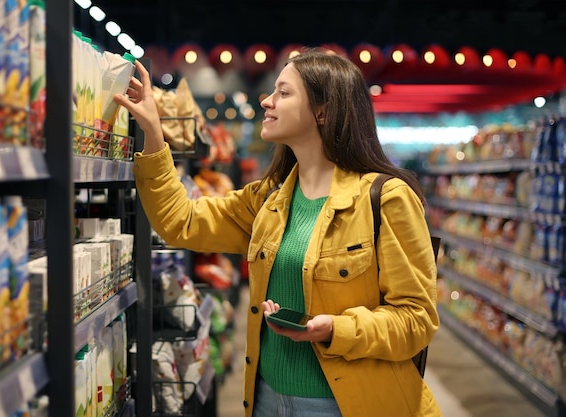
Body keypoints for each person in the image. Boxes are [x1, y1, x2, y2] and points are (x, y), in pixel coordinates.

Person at [114, 47, 442, 417]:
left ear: (323, 111)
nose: (267, 101)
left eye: (284, 93)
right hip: (266, 400)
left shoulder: (386, 199)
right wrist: (154, 135)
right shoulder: (267, 198)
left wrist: (336, 329)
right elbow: (180, 221)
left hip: (346, 406)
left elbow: (416, 320)